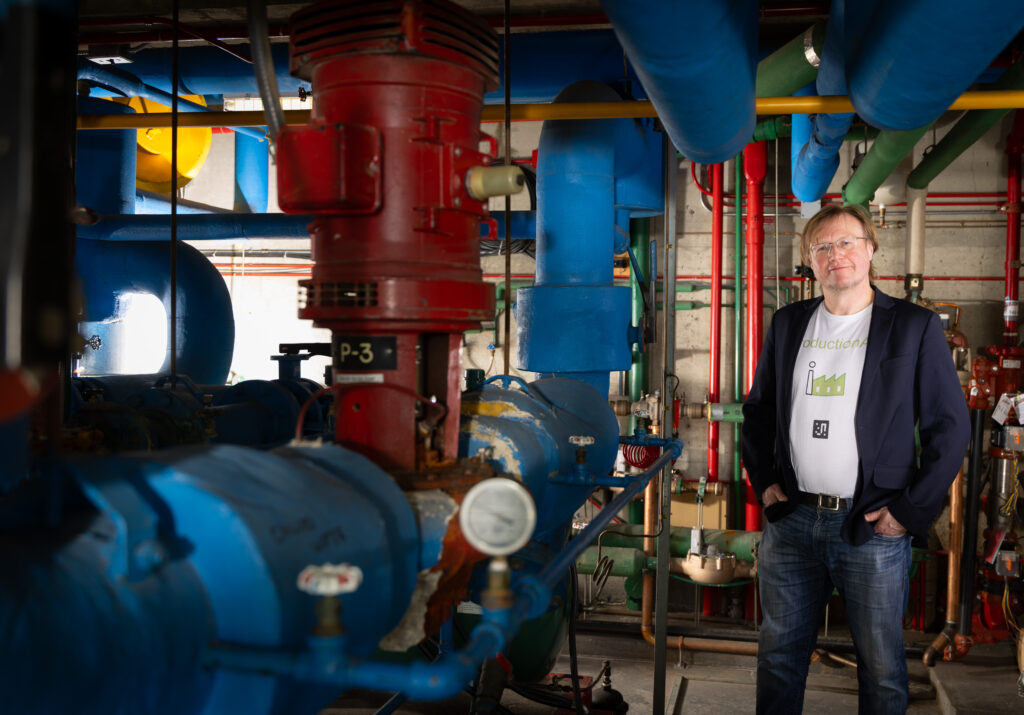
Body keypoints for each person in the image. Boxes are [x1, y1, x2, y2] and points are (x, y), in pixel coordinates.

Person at [742, 203, 970, 714]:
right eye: (821, 246)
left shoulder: (912, 326)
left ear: (870, 250)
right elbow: (757, 412)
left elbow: (950, 429)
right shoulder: (788, 324)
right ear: (810, 261)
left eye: (846, 242)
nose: (835, 254)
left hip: (872, 524)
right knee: (778, 657)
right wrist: (765, 483)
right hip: (793, 520)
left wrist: (909, 513)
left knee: (882, 670)